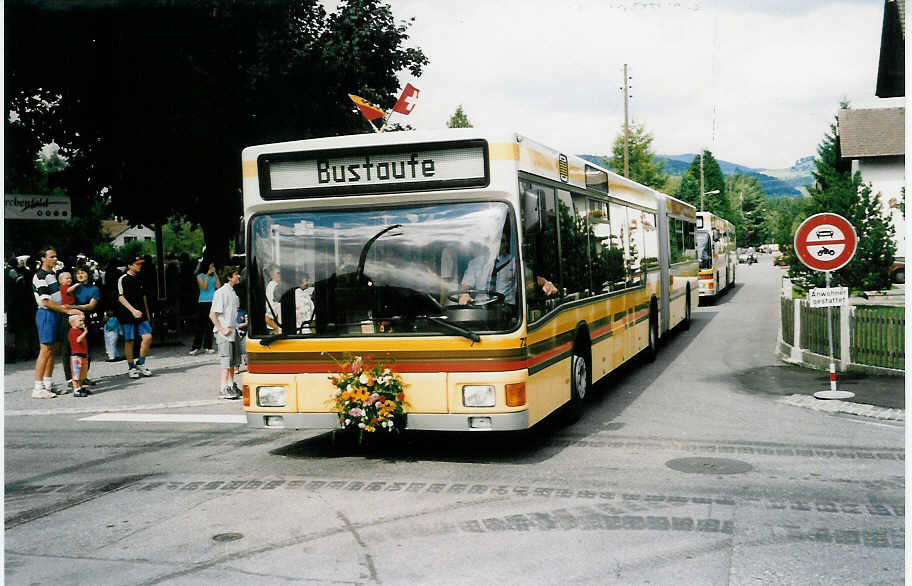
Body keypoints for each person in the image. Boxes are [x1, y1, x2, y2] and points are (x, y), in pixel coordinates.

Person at [31, 246, 81, 398]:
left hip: (55, 313)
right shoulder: (40, 276)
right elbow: (45, 301)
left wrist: (67, 308)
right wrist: (65, 311)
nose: (55, 259)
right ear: (43, 259)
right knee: (45, 350)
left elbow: (56, 299)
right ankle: (38, 388)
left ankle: (47, 384)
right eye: (51, 257)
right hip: (46, 314)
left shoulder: (51, 274)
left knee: (52, 350)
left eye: (55, 256)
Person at [62, 266, 101, 388]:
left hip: (85, 318)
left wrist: (76, 308)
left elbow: (91, 306)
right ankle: (70, 378)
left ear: (88, 274)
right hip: (69, 319)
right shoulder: (72, 287)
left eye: (83, 273)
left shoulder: (94, 289)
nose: (80, 275)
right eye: (78, 273)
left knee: (85, 349)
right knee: (68, 349)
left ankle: (83, 376)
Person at [209, 265, 244, 399]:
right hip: (224, 333)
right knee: (225, 361)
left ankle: (230, 384)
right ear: (229, 277)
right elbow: (212, 314)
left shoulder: (233, 293)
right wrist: (222, 329)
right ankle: (223, 388)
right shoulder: (221, 292)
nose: (238, 276)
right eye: (236, 274)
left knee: (233, 362)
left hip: (232, 331)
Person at [116, 256, 153, 379]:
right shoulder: (123, 279)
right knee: (129, 340)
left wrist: (147, 314)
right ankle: (131, 367)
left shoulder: (140, 278)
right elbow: (120, 297)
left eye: (140, 264)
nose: (139, 266)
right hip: (127, 313)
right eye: (136, 264)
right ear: (129, 266)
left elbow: (144, 297)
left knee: (148, 337)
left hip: (140, 313)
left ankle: (140, 363)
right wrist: (132, 310)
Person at [189, 260, 219, 355]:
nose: (212, 268)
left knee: (210, 325)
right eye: (211, 266)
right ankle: (195, 347)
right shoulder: (200, 276)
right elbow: (204, 287)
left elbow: (218, 286)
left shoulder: (213, 276)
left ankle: (208, 346)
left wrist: (215, 274)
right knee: (200, 325)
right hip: (202, 302)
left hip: (212, 302)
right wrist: (207, 275)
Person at [67, 313, 91, 397]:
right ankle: (76, 389)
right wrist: (85, 332)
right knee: (76, 374)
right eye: (80, 320)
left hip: (83, 355)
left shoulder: (79, 331)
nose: (82, 322)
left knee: (81, 374)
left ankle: (80, 387)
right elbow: (78, 340)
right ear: (73, 323)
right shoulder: (72, 331)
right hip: (76, 356)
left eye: (82, 320)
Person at [264, 265, 282, 333]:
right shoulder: (274, 287)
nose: (280, 275)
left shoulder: (271, 285)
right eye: (278, 273)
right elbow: (273, 305)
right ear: (272, 275)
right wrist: (277, 329)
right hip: (274, 325)